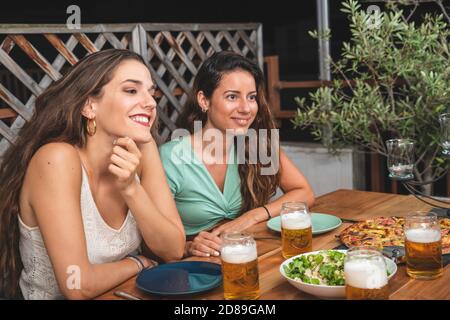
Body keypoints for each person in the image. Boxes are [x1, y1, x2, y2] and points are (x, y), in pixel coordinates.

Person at [0, 49, 185, 300]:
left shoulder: (144, 146)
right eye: (131, 90)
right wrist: (138, 263)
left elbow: (173, 249)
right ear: (89, 106)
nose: (151, 103)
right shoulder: (56, 159)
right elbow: (77, 285)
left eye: (151, 93)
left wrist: (131, 189)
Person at [159, 51, 314, 258]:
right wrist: (187, 247)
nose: (246, 108)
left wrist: (251, 217)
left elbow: (304, 192)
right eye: (232, 97)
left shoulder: (257, 145)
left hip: (244, 256)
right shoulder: (170, 158)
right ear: (204, 101)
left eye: (251, 97)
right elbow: (149, 243)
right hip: (190, 270)